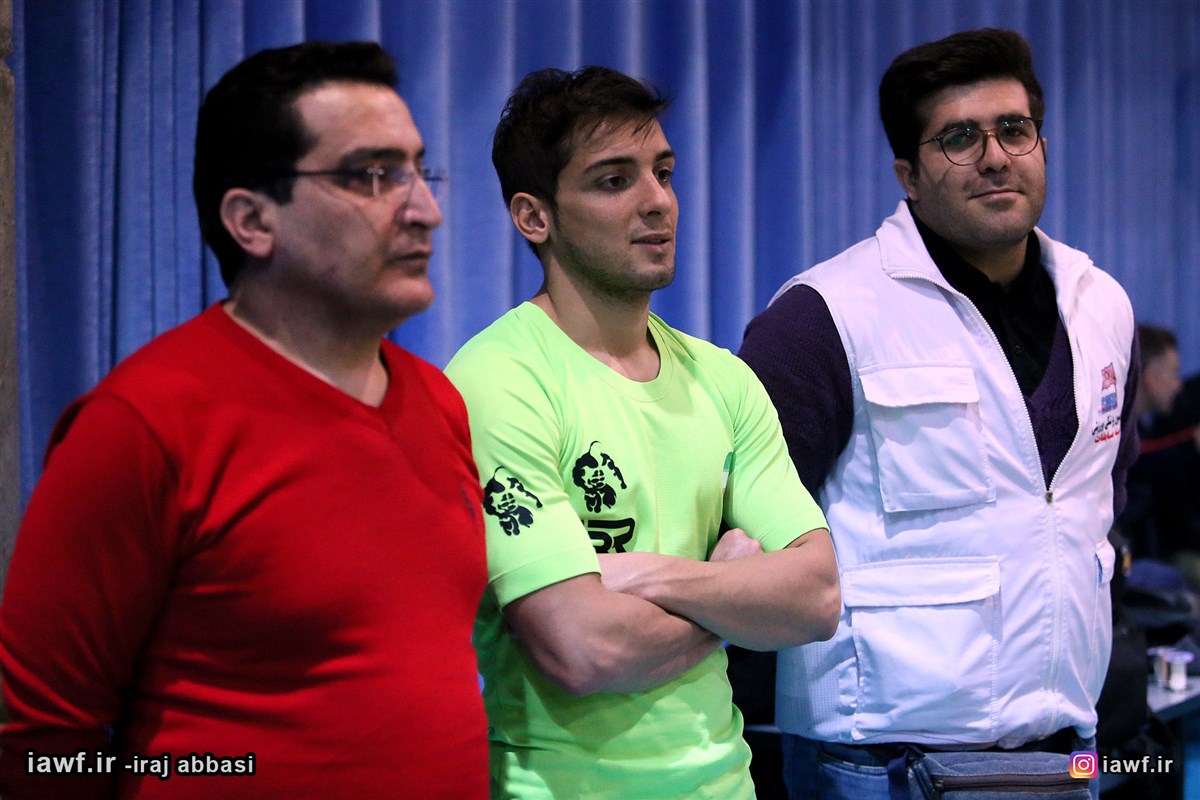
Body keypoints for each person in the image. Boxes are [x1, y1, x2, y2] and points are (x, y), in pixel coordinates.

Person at [0, 41, 487, 799]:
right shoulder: (142, 424)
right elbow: (41, 750)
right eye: (373, 175)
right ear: (252, 220)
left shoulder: (438, 400)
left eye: (421, 172)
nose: (426, 210)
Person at [739, 28, 1138, 799]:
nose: (995, 157)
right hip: (877, 763)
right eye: (958, 138)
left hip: (1066, 750)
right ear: (908, 175)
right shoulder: (824, 316)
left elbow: (1100, 497)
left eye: (1014, 129)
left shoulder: (1102, 303)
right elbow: (747, 536)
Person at [445, 66, 840, 800]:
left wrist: (645, 575)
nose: (657, 200)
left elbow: (816, 599)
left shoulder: (723, 378)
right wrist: (729, 596)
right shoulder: (498, 381)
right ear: (534, 217)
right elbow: (581, 648)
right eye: (613, 180)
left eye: (663, 172)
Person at [1120, 324, 1200, 583]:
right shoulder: (1116, 432)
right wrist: (1191, 444)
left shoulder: (1145, 430)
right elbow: (1140, 459)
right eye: (1173, 374)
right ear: (1151, 378)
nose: (1178, 386)